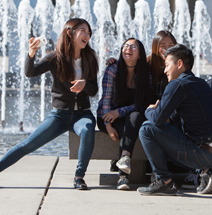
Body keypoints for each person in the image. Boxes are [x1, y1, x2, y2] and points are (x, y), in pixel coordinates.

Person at [0, 18, 99, 190]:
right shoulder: (55, 57)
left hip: (82, 114)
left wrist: (85, 85)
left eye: (88, 32)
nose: (87, 35)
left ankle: (79, 177)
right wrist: (31, 54)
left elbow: (94, 90)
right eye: (83, 31)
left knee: (88, 129)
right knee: (27, 145)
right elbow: (31, 73)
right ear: (70, 33)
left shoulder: (90, 57)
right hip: (59, 115)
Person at [137, 44, 212, 196]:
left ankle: (164, 181)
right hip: (207, 149)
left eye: (166, 65)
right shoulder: (201, 84)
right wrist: (161, 113)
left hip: (201, 154)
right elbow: (173, 119)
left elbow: (157, 120)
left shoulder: (177, 85)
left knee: (146, 128)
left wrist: (150, 110)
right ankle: (207, 172)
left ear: (179, 64)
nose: (165, 71)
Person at [97, 38, 150, 190]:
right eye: (126, 46)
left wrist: (119, 112)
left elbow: (140, 104)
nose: (129, 49)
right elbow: (105, 101)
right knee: (129, 130)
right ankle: (122, 174)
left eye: (133, 47)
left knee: (136, 116)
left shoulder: (145, 75)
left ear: (140, 54)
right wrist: (108, 126)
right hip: (107, 118)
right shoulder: (112, 69)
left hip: (128, 117)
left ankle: (123, 171)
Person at [147, 30, 177, 102]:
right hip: (150, 107)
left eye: (170, 46)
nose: (167, 50)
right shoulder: (148, 63)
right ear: (156, 47)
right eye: (163, 46)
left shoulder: (178, 64)